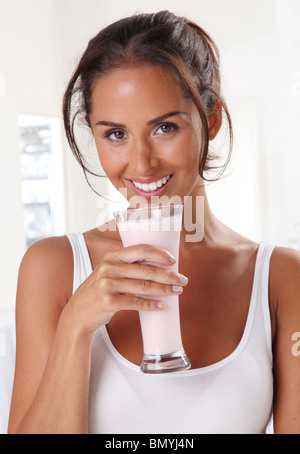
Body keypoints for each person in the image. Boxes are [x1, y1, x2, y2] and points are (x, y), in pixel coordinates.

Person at [7, 10, 300, 434]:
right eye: (115, 134)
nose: (141, 163)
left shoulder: (281, 279)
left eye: (165, 127)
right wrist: (75, 326)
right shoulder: (53, 267)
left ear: (211, 120)